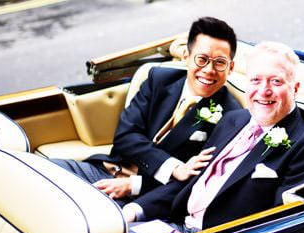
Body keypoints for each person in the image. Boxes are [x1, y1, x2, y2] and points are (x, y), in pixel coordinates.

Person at [123, 41, 304, 233]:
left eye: (276, 81)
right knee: (104, 228)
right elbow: (192, 182)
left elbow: (280, 221)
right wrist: (134, 210)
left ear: (295, 88)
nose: (264, 91)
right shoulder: (233, 120)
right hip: (172, 228)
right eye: (255, 80)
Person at [52, 16, 241, 203]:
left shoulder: (231, 116)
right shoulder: (159, 78)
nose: (209, 69)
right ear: (186, 57)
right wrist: (173, 168)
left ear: (230, 67)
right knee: (37, 172)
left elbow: (198, 181)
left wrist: (133, 185)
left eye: (220, 62)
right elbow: (125, 137)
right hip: (107, 169)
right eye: (202, 59)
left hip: (147, 197)